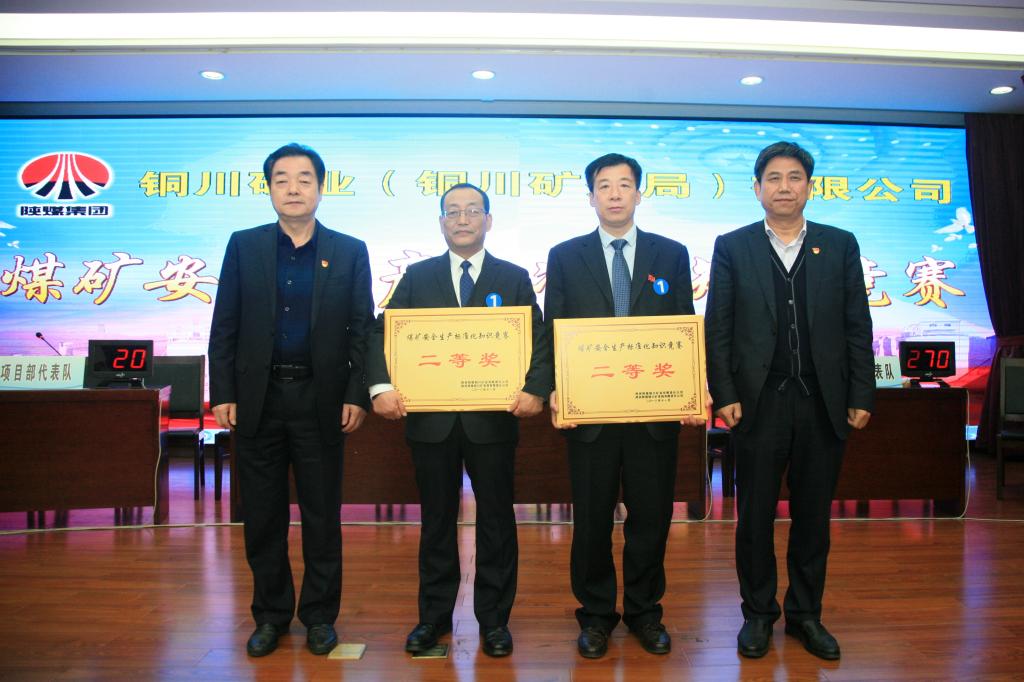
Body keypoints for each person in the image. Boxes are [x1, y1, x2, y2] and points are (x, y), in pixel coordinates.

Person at [704, 141, 875, 661]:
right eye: (773, 178)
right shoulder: (733, 246)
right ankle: (758, 615)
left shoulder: (839, 244)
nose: (784, 187)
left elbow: (857, 324)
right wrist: (724, 394)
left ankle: (806, 615)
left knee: (813, 517)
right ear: (757, 188)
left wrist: (861, 391)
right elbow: (719, 327)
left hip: (824, 402)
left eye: (794, 177)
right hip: (758, 403)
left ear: (810, 186)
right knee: (754, 516)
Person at [366, 183, 552, 658]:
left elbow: (539, 339)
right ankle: (432, 618)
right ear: (441, 222)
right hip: (431, 423)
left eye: (472, 211)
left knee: (497, 521)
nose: (463, 219)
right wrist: (380, 386)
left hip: (493, 422)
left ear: (488, 220)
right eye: (453, 212)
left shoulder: (512, 277)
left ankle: (495, 620)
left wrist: (535, 388)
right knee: (436, 522)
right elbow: (380, 333)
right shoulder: (417, 276)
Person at [208, 143, 373, 657]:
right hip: (258, 399)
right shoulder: (244, 245)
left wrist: (357, 393)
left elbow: (361, 330)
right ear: (269, 188)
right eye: (282, 179)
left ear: (321, 188)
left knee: (322, 516)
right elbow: (225, 323)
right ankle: (271, 615)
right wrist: (223, 392)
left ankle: (320, 617)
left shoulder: (349, 250)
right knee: (263, 516)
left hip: (321, 400)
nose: (294, 188)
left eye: (304, 179)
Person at [545, 153, 704, 658]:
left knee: (650, 520)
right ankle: (595, 616)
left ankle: (644, 612)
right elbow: (554, 329)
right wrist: (555, 389)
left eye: (624, 185)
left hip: (653, 413)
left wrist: (692, 387)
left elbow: (683, 326)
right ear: (591, 196)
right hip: (589, 413)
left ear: (639, 194)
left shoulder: (671, 253)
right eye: (604, 186)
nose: (614, 194)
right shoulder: (565, 255)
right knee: (591, 521)